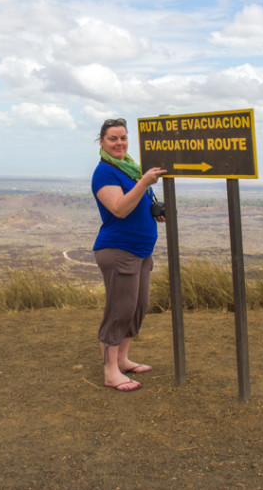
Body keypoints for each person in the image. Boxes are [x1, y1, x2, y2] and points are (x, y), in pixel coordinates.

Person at [91, 117, 167, 392]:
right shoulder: (105, 172)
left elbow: (135, 205)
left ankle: (122, 359)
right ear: (101, 142)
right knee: (119, 310)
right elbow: (120, 208)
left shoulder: (130, 169)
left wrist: (153, 213)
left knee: (137, 307)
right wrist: (145, 182)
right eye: (113, 138)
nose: (119, 143)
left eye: (123, 137)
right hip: (118, 250)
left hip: (141, 251)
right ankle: (110, 371)